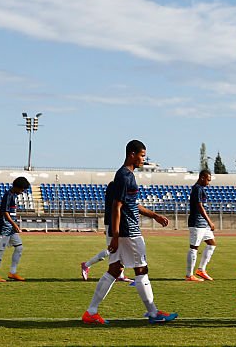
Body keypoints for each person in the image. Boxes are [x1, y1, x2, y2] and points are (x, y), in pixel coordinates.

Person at [82, 139, 177, 325]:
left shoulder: (124, 175)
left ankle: (91, 312)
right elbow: (117, 206)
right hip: (128, 231)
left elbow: (130, 204)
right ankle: (153, 313)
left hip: (123, 229)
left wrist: (154, 215)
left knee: (115, 269)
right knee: (141, 269)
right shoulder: (125, 176)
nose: (144, 159)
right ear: (132, 154)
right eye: (142, 155)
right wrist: (116, 236)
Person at [80, 180, 131, 284]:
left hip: (113, 223)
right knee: (113, 250)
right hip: (113, 223)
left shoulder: (113, 195)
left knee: (120, 249)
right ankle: (87, 265)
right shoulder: (115, 196)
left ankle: (120, 275)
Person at [0, 177, 31, 282]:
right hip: (3, 228)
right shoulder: (8, 195)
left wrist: (14, 224)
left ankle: (12, 272)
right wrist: (14, 224)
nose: (22, 192)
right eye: (22, 190)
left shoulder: (14, 196)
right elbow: (5, 212)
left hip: (11, 228)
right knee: (0, 251)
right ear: (17, 187)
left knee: (19, 247)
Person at [185, 169, 217, 281]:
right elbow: (200, 206)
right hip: (197, 223)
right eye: (208, 180)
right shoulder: (197, 189)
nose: (209, 183)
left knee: (212, 244)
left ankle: (201, 270)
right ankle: (189, 275)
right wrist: (209, 221)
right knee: (194, 247)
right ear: (202, 177)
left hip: (202, 224)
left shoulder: (200, 188)